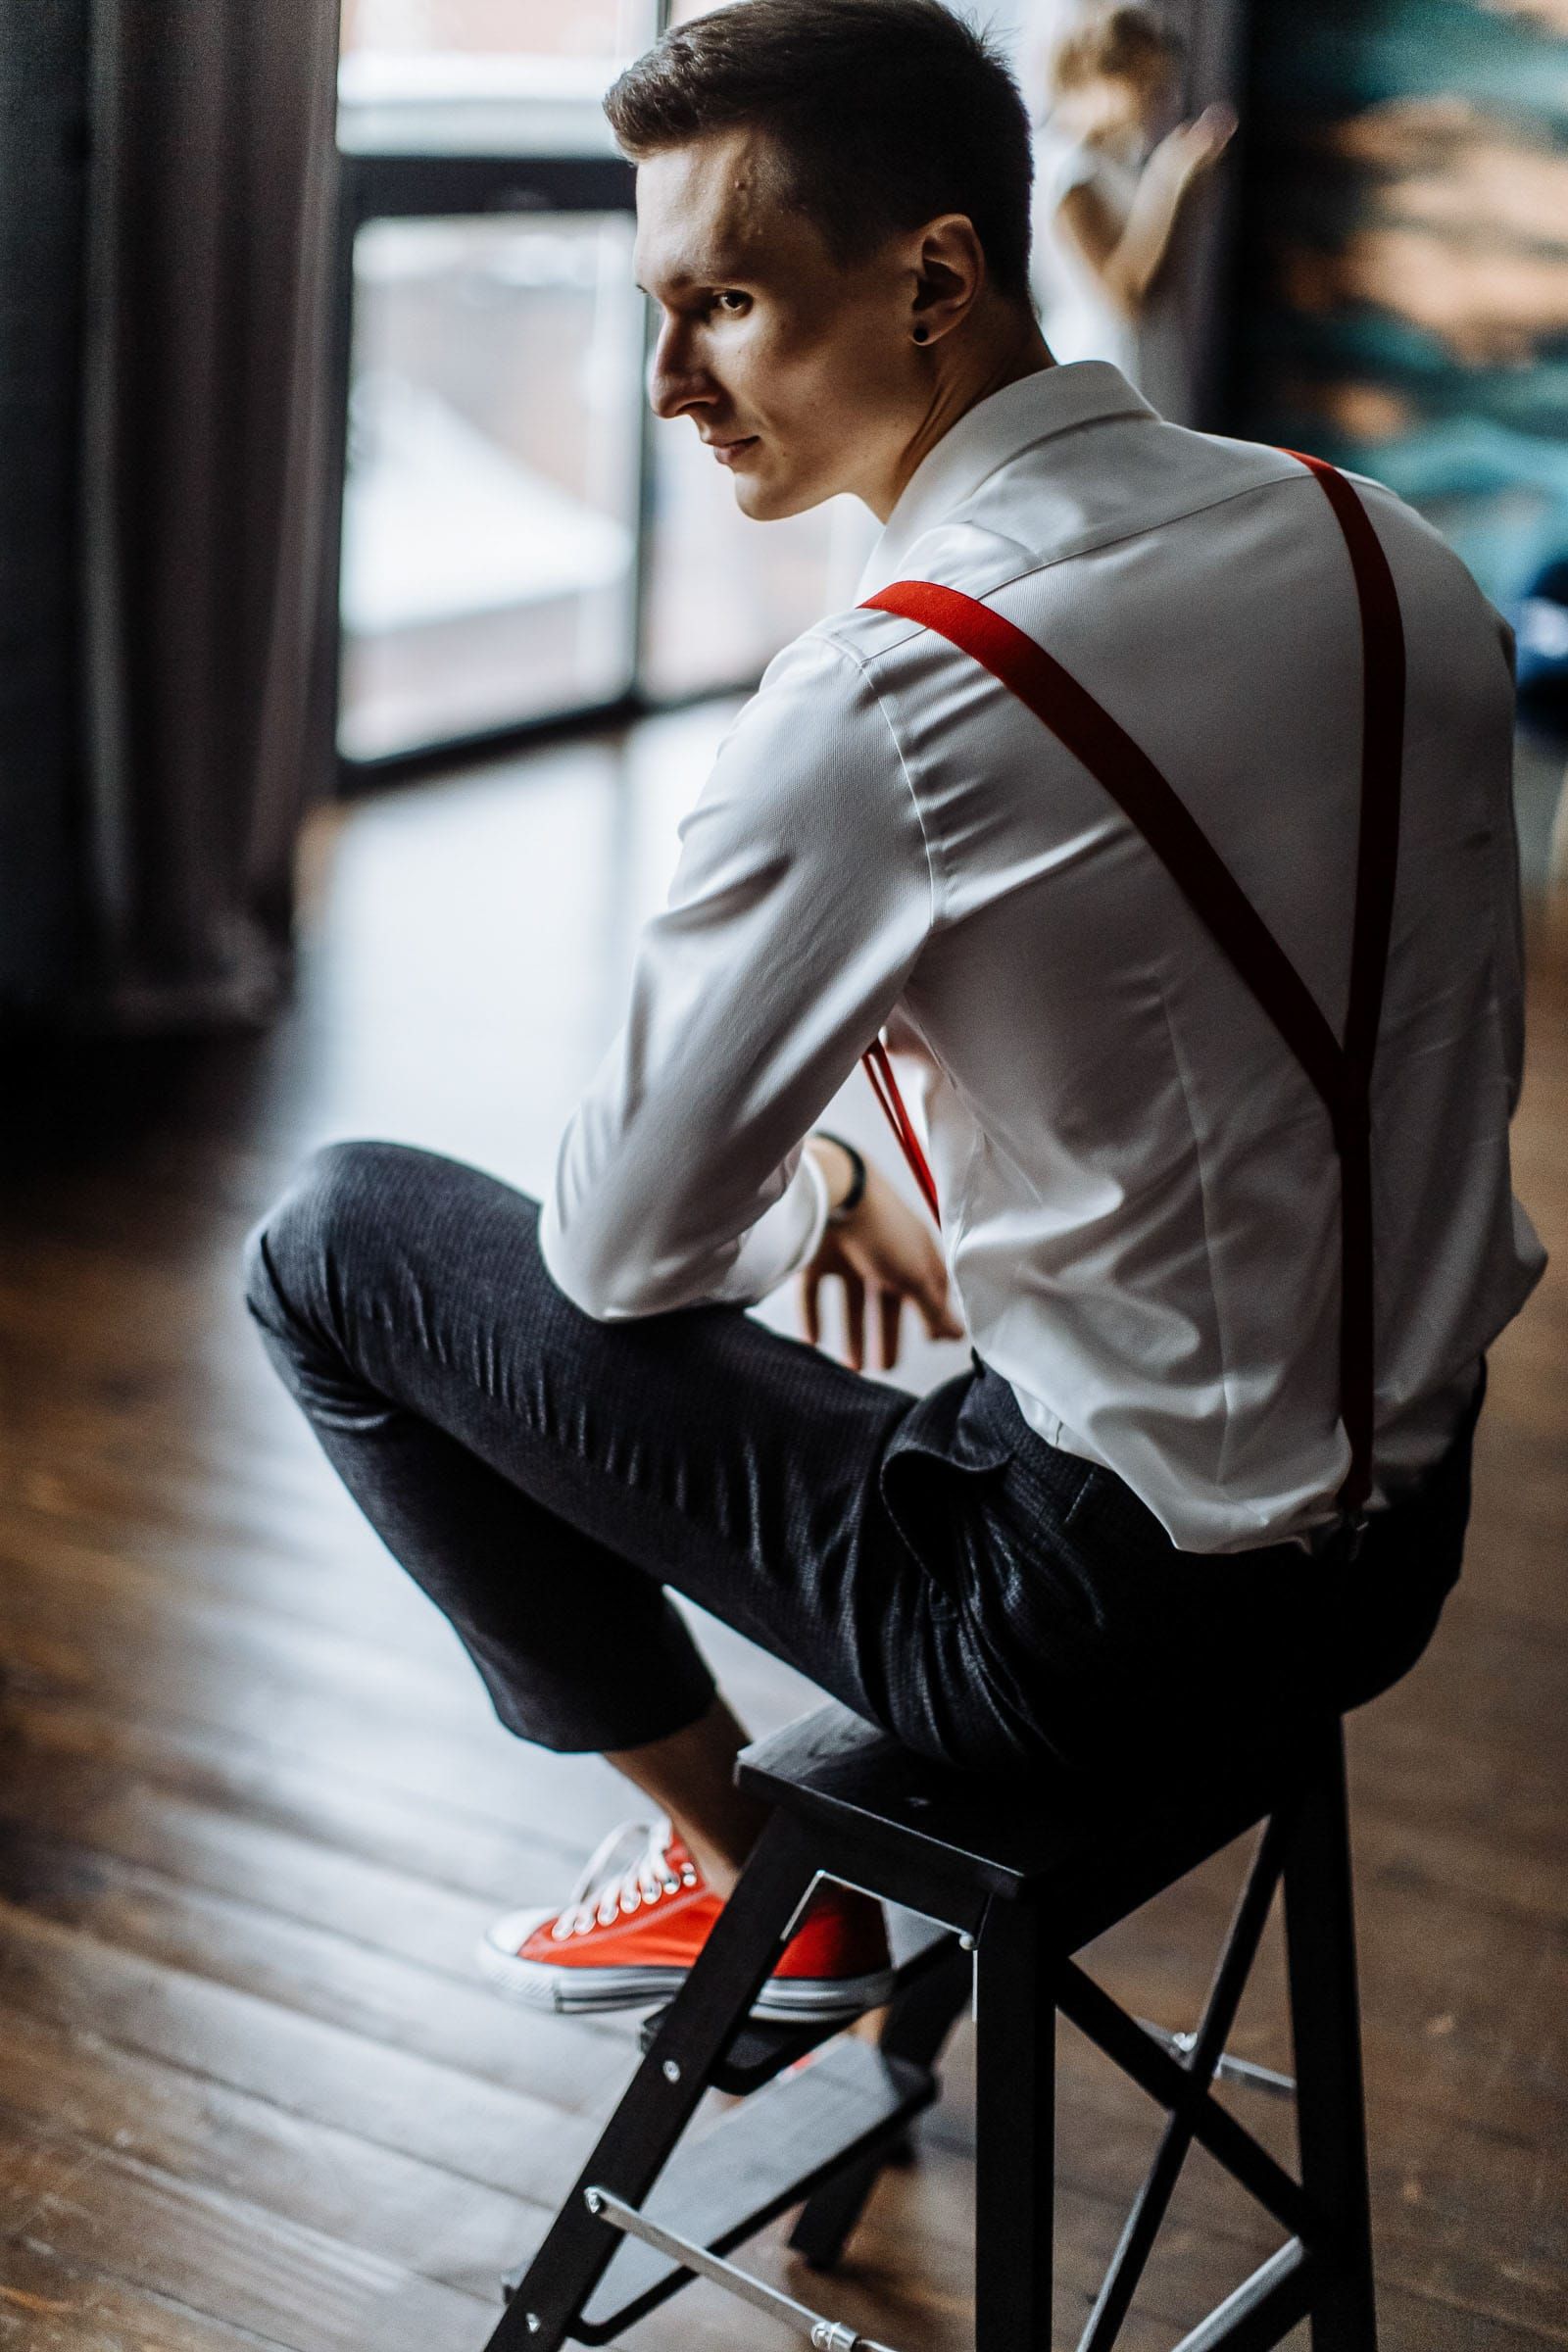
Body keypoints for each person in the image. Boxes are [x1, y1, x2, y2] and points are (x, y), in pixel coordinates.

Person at [244, 0, 1544, 2026]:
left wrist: (805, 1196)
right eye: (656, 309)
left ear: (936, 274)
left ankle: (740, 1872)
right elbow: (1294, 1060)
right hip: (1388, 1548)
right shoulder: (1385, 552)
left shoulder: (890, 696)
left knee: (333, 1244)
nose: (668, 380)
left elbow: (613, 1249)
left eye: (727, 303)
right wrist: (909, 1197)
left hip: (1087, 1625)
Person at [1029, 4, 1234, 386]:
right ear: (1100, 77)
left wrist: (1187, 193)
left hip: (1145, 351)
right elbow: (1121, 298)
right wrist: (1167, 181)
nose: (1151, 102)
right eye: (1142, 83)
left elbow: (1159, 285)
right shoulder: (1068, 170)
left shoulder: (1114, 162)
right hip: (1099, 357)